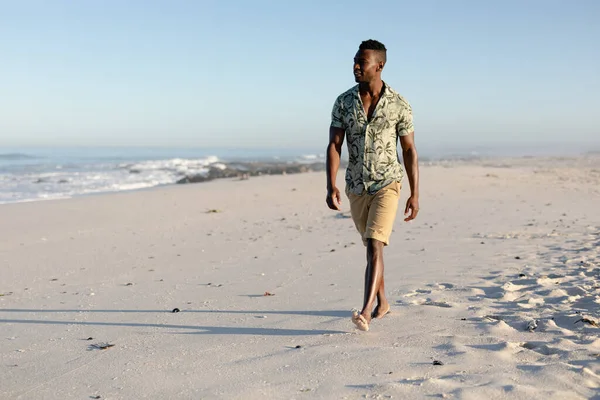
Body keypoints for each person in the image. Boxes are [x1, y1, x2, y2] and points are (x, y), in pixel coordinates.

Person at [326, 39, 420, 332]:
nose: (355, 66)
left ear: (379, 66)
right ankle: (383, 302)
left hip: (387, 184)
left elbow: (409, 151)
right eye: (354, 60)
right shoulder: (343, 102)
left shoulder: (399, 104)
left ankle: (365, 310)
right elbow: (334, 144)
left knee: (375, 244)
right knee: (370, 243)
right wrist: (331, 185)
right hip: (356, 185)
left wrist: (415, 193)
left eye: (361, 62)